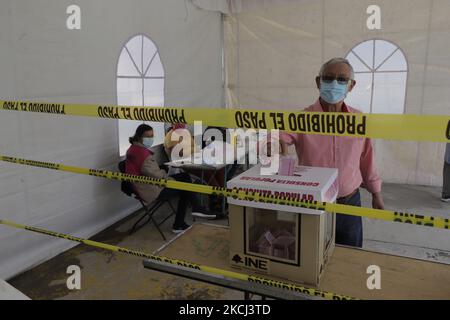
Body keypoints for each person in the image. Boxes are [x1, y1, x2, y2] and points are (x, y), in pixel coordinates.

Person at [274, 57, 384, 248]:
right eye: (329, 78)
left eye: (342, 79)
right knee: (311, 253)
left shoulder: (358, 120)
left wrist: (376, 193)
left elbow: (367, 159)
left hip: (349, 202)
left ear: (351, 86)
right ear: (318, 82)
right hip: (313, 203)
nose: (335, 84)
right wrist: (273, 142)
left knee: (350, 255)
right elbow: (277, 135)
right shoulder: (302, 118)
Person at [125, 124, 215, 234]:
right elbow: (156, 174)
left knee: (185, 177)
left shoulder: (134, 148)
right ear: (139, 136)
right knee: (185, 188)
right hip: (151, 189)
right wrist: (168, 176)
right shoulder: (142, 153)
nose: (150, 139)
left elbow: (150, 171)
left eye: (152, 136)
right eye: (147, 136)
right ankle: (180, 222)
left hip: (148, 183)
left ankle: (194, 209)